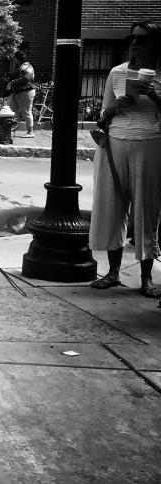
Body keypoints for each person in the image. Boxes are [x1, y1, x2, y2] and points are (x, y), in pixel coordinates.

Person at [88, 21, 161, 300]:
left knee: (146, 209)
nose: (134, 44)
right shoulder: (117, 73)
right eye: (132, 38)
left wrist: (152, 94)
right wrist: (115, 108)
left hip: (151, 143)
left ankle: (146, 278)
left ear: (155, 44)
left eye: (141, 40)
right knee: (111, 205)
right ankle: (113, 272)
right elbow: (103, 114)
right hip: (116, 141)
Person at [7, 50, 36, 138]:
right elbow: (16, 76)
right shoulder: (21, 66)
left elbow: (26, 79)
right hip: (18, 92)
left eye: (14, 58)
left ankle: (30, 132)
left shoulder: (26, 66)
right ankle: (5, 128)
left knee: (26, 111)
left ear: (17, 58)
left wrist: (12, 82)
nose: (13, 59)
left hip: (26, 92)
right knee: (10, 108)